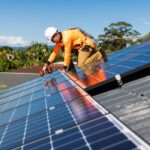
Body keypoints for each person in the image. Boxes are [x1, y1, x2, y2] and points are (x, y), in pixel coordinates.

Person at [42, 27, 107, 74]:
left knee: (81, 65)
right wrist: (46, 65)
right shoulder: (60, 41)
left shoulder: (66, 37)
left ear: (56, 34)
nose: (53, 42)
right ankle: (71, 69)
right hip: (80, 48)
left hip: (86, 44)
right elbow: (54, 53)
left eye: (52, 40)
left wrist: (64, 68)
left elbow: (68, 54)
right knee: (82, 65)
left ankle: (100, 54)